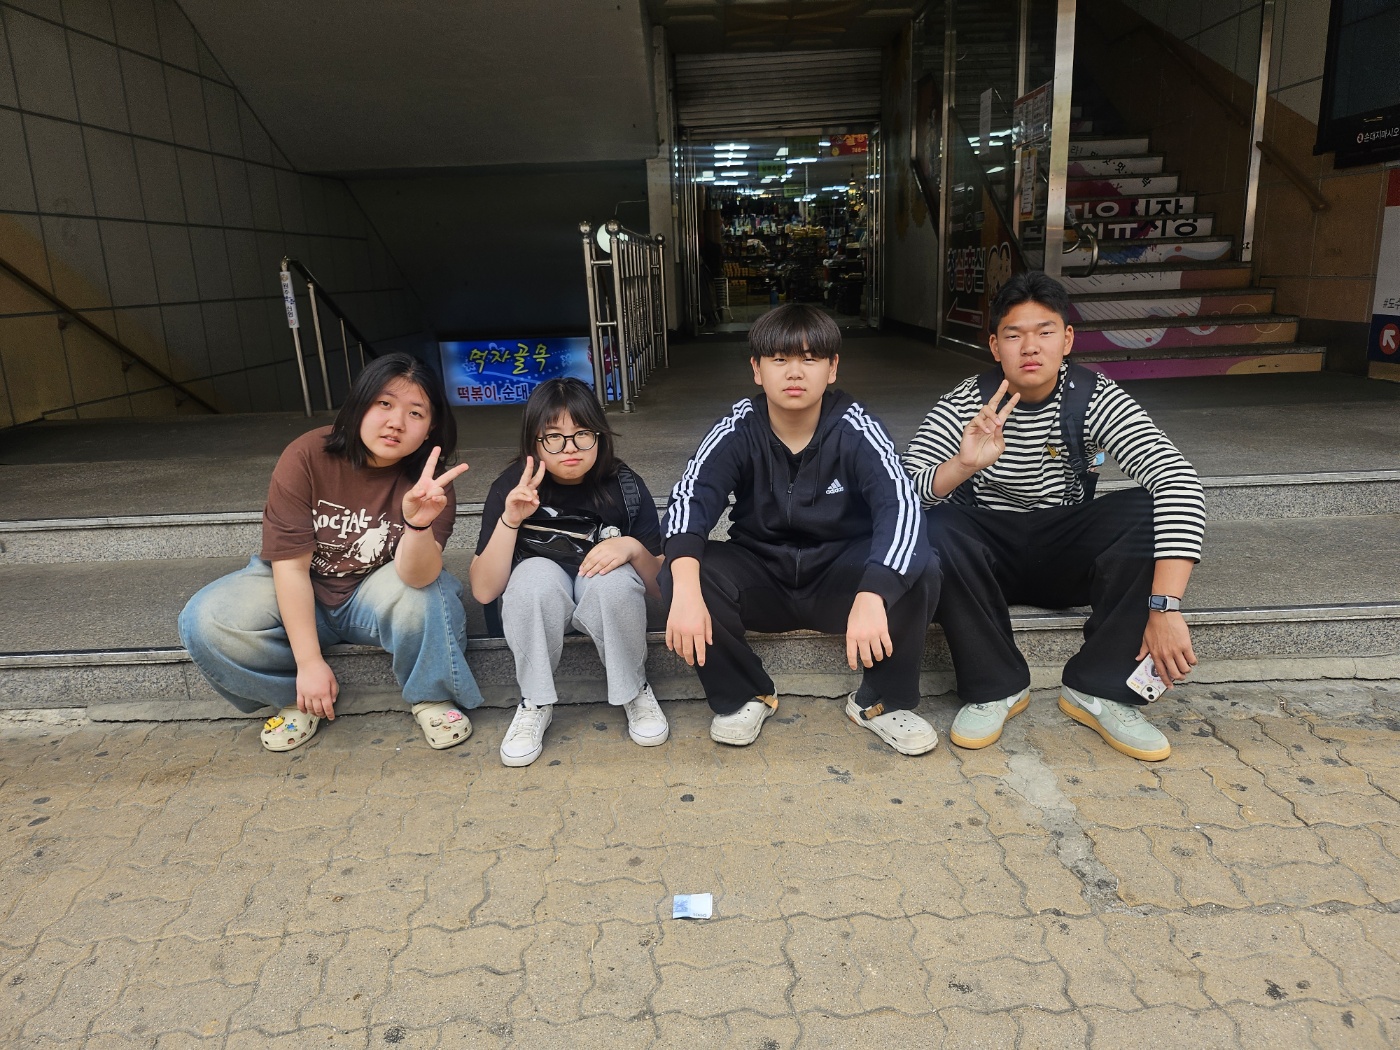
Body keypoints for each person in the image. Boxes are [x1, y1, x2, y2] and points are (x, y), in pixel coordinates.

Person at [902, 270, 1206, 761]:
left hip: (1067, 552)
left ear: (1066, 340)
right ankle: (996, 687)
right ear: (994, 345)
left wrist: (1165, 607)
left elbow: (1177, 479)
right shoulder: (964, 402)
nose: (1030, 347)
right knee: (937, 526)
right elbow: (903, 494)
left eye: (1044, 332)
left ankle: (1099, 688)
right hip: (989, 563)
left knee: (1144, 508)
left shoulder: (1094, 395)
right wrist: (961, 465)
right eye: (1014, 335)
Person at [663, 303, 940, 755]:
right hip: (761, 579)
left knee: (920, 564)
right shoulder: (738, 427)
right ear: (757, 369)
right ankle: (746, 693)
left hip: (841, 584)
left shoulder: (856, 426)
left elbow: (902, 507)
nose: (795, 372)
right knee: (684, 569)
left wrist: (874, 593)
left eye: (810, 359)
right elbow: (690, 500)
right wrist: (687, 589)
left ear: (832, 368)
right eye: (779, 359)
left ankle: (881, 702)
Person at [179, 352, 482, 752]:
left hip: (373, 592)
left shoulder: (430, 482)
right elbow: (290, 568)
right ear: (358, 406)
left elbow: (419, 578)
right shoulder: (307, 455)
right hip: (301, 580)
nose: (396, 422)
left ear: (430, 430)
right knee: (206, 619)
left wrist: (418, 524)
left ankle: (432, 697)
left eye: (415, 413)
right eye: (384, 404)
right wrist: (308, 664)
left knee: (432, 593)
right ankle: (297, 698)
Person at [469, 378, 668, 767]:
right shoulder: (512, 487)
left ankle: (634, 689)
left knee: (612, 580)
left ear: (599, 435)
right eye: (554, 437)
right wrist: (510, 520)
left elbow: (662, 587)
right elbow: (483, 590)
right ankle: (535, 700)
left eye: (582, 434)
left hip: (602, 592)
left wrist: (632, 548)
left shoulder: (624, 486)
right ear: (534, 440)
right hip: (544, 597)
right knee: (532, 577)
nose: (570, 448)